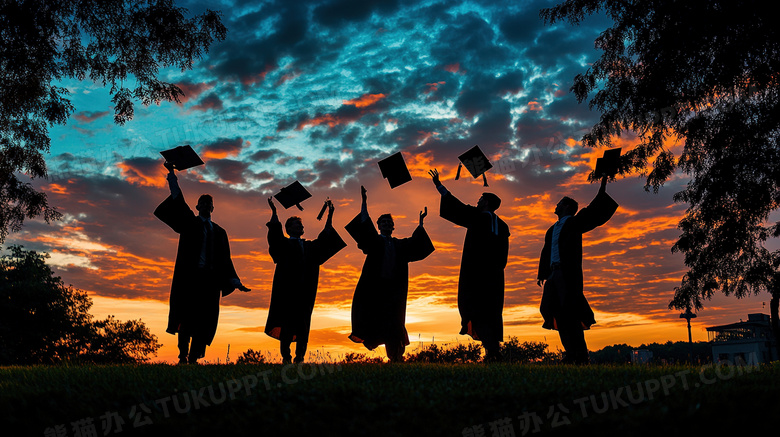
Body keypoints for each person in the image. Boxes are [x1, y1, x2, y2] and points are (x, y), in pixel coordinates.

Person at [154, 162, 250, 365]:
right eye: (203, 203)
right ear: (197, 207)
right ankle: (182, 354)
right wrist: (172, 175)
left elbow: (226, 259)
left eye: (209, 203)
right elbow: (177, 199)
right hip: (191, 278)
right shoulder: (190, 223)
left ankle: (194, 357)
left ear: (213, 208)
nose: (206, 205)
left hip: (211, 281)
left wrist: (235, 281)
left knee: (204, 320)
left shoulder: (220, 232)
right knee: (187, 317)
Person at [428, 169, 510, 361]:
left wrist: (440, 187)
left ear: (487, 203)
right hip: (495, 277)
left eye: (481, 199)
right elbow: (503, 256)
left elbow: (458, 208)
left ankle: (493, 352)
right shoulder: (503, 226)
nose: (477, 201)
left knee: (476, 309)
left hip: (477, 275)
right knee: (491, 312)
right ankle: (493, 350)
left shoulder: (479, 218)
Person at [536, 176, 618, 364]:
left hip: (567, 275)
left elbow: (592, 211)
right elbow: (546, 251)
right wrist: (543, 273)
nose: (555, 206)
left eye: (558, 204)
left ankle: (579, 355)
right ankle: (570, 353)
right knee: (553, 310)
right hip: (552, 274)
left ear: (565, 206)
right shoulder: (552, 228)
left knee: (570, 313)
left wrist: (603, 185)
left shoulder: (574, 223)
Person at [347, 186, 435, 362]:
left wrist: (420, 223)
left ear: (393, 227)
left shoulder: (399, 245)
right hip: (376, 289)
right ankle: (389, 352)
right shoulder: (374, 242)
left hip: (395, 290)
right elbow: (365, 225)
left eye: (389, 223)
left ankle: (395, 356)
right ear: (378, 226)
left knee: (395, 322)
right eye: (383, 223)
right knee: (377, 320)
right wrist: (364, 203)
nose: (387, 225)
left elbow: (417, 244)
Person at [264, 197, 346, 364]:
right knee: (286, 324)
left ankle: (300, 357)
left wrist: (330, 216)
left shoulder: (309, 247)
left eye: (301, 225)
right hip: (287, 291)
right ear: (288, 229)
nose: (301, 227)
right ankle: (286, 357)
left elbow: (325, 238)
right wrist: (274, 212)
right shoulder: (284, 245)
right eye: (296, 225)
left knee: (303, 324)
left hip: (305, 291)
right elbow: (274, 234)